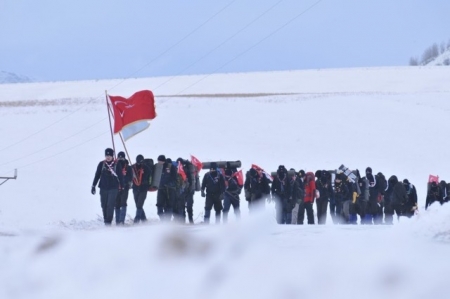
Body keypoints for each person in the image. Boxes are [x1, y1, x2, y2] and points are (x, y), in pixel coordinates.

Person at [91, 148, 124, 225]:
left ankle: (108, 221)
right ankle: (106, 218)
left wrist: (122, 187)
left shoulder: (117, 164)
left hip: (113, 188)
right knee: (103, 205)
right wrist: (93, 185)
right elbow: (97, 175)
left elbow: (120, 176)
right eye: (106, 155)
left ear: (112, 156)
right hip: (103, 187)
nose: (108, 157)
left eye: (109, 155)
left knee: (110, 204)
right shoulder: (101, 164)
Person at [131, 154, 151, 223]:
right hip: (135, 188)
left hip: (143, 188)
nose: (139, 163)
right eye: (138, 161)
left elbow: (148, 175)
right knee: (137, 204)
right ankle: (144, 219)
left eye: (141, 161)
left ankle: (137, 219)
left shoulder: (146, 168)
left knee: (140, 204)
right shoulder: (133, 167)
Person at [115, 151, 132, 225]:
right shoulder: (115, 166)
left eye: (122, 157)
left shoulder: (128, 167)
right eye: (119, 157)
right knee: (116, 204)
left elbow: (130, 177)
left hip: (125, 187)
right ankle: (117, 220)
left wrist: (124, 178)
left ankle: (122, 220)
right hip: (116, 187)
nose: (120, 158)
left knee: (123, 203)